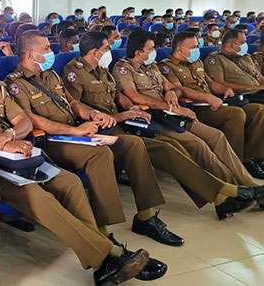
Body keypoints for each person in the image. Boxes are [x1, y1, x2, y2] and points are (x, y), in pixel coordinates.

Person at [0, 34, 155, 285]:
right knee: (38, 196)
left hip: (20, 154)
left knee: (69, 183)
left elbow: (23, 120)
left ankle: (101, 251)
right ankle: (108, 255)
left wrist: (11, 135)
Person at [7, 30, 182, 250]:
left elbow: (72, 103)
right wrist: (75, 131)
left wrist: (91, 114)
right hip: (53, 140)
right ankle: (103, 232)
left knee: (133, 144)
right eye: (46, 49)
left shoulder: (50, 74)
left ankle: (146, 217)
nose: (52, 53)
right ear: (31, 54)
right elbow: (33, 121)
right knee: (100, 154)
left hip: (76, 132)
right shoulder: (15, 83)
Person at [64, 30, 261, 218]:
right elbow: (75, 106)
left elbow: (118, 93)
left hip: (132, 118)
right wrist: (119, 114)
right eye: (107, 48)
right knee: (174, 147)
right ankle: (226, 192)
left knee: (176, 146)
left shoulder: (103, 69)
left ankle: (225, 194)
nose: (111, 52)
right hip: (109, 125)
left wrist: (138, 101)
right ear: (94, 52)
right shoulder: (76, 71)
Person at [159, 31, 264, 178]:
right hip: (196, 107)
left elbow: (211, 84)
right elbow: (180, 89)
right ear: (179, 49)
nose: (197, 50)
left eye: (197, 46)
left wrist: (225, 89)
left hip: (214, 101)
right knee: (236, 114)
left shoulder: (196, 62)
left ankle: (253, 158)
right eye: (193, 47)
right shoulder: (167, 66)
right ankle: (235, 163)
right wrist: (207, 97)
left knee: (258, 109)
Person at [204, 29, 264, 94]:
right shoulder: (216, 59)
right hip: (243, 95)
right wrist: (251, 88)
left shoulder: (245, 56)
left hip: (259, 92)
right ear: (234, 44)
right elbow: (220, 84)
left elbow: (259, 77)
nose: (245, 45)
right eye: (243, 42)